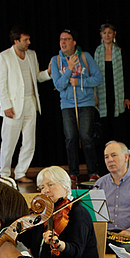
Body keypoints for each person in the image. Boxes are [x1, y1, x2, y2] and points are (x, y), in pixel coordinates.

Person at [19, 166, 98, 258]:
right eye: (42, 187)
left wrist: (60, 245)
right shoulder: (44, 213)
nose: (45, 190)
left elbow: (76, 253)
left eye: (50, 185)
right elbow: (26, 239)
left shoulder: (78, 213)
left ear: (66, 186)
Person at [0, 26, 51, 184]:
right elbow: (1, 85)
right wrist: (6, 105)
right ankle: (5, 173)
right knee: (9, 141)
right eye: (25, 40)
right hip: (13, 104)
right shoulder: (4, 57)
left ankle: (20, 172)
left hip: (30, 102)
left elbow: (36, 78)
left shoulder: (31, 55)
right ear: (16, 41)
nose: (29, 42)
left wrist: (48, 72)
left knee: (29, 141)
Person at [51, 29, 104, 182]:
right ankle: (73, 172)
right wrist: (69, 70)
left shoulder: (84, 56)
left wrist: (80, 81)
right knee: (71, 138)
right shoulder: (56, 60)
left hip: (86, 103)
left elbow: (98, 78)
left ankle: (93, 172)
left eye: (67, 39)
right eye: (61, 39)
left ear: (74, 42)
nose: (63, 42)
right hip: (67, 105)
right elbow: (59, 85)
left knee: (86, 137)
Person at [94, 22, 130, 143]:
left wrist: (127, 97)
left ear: (114, 34)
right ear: (101, 34)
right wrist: (94, 95)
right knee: (104, 131)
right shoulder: (96, 53)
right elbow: (92, 76)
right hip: (102, 98)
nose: (107, 35)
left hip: (117, 97)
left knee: (118, 130)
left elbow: (127, 76)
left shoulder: (120, 53)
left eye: (109, 33)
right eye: (104, 33)